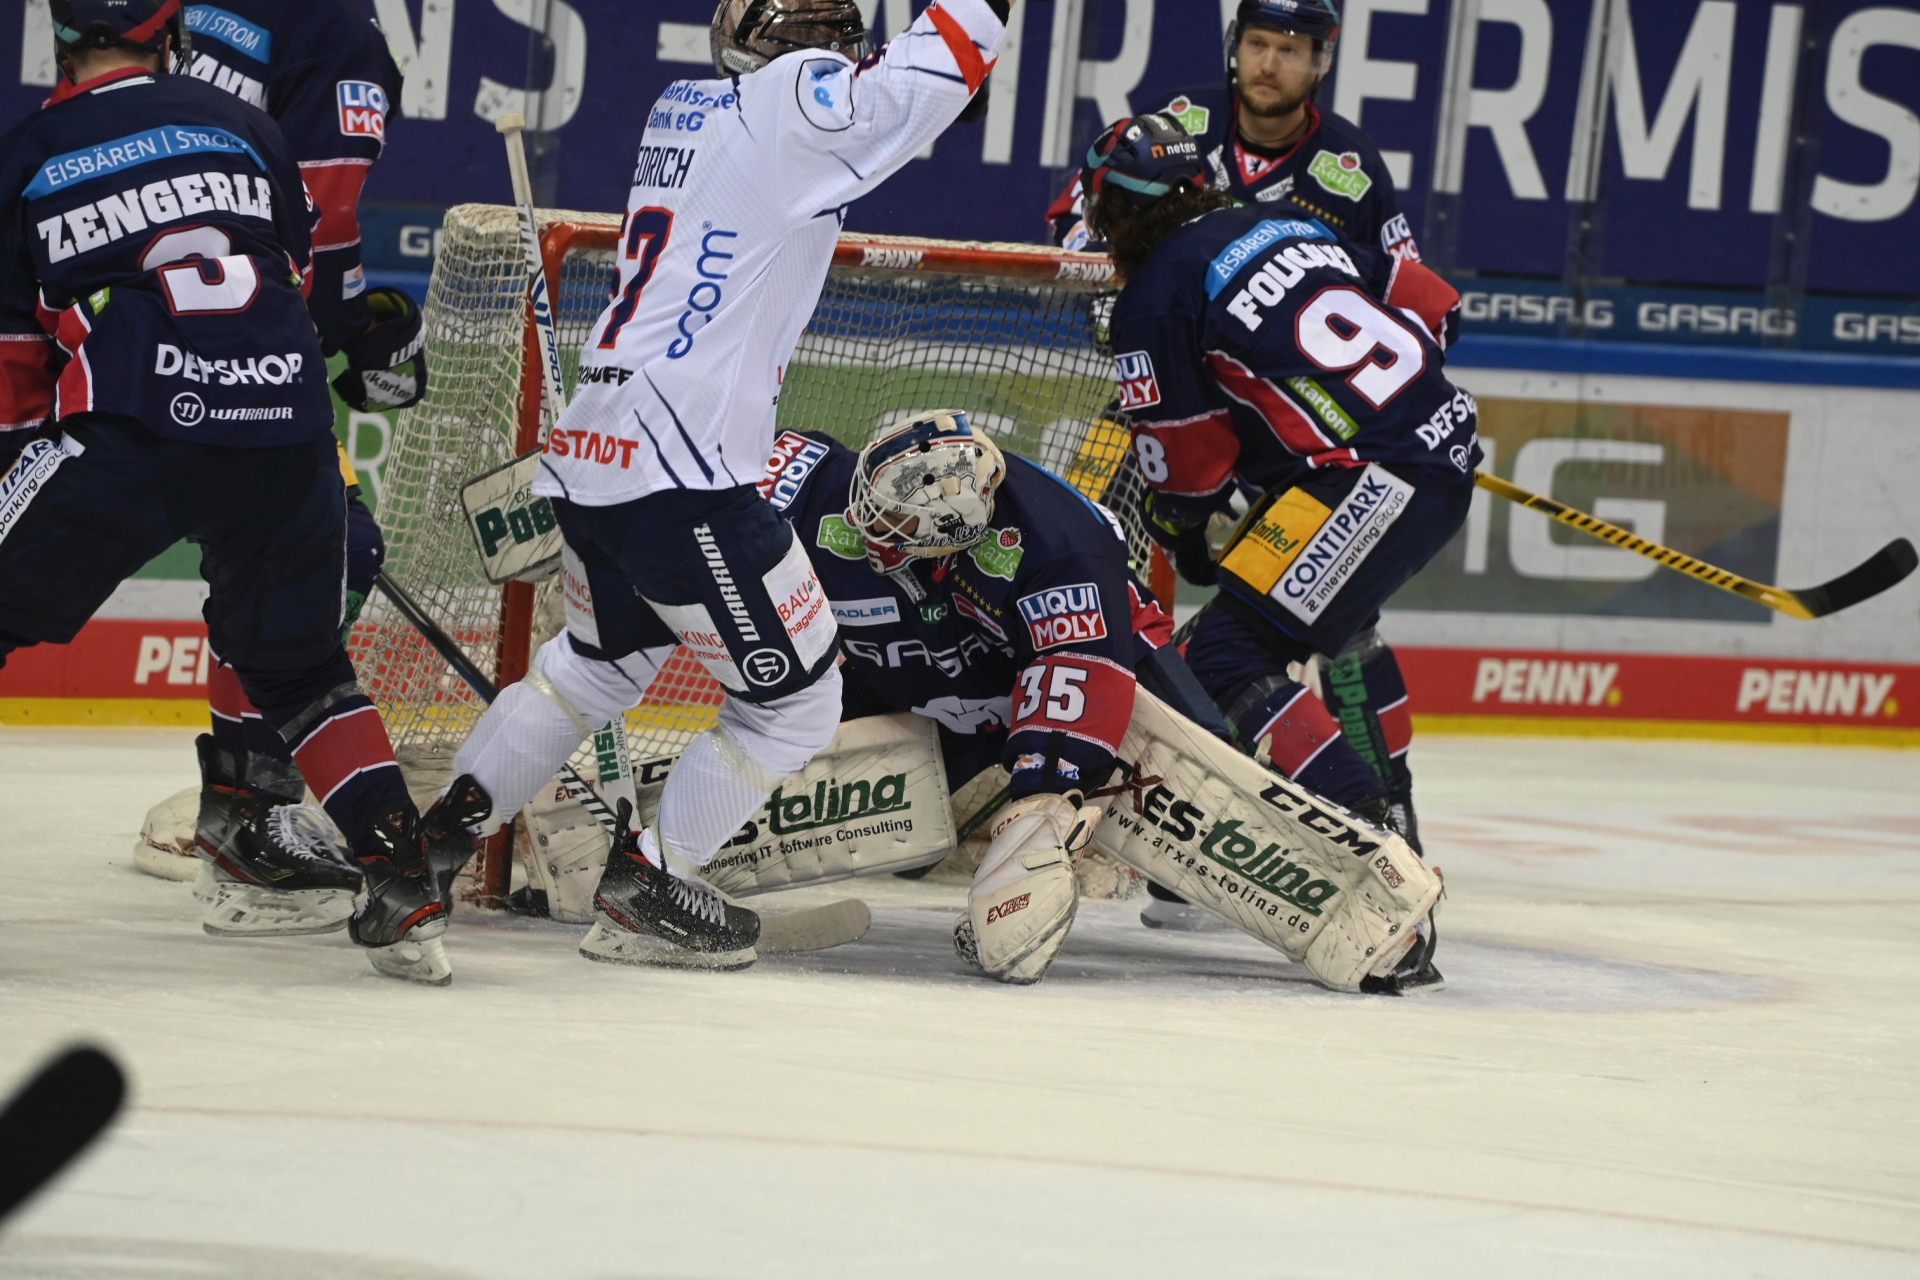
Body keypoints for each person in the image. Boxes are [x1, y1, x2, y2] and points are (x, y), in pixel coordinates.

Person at [437, 0, 1022, 972]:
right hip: (683, 472)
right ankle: (650, 882)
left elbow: (883, 103)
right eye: (831, 43)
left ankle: (434, 843)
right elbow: (925, 74)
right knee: (796, 701)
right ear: (807, 55)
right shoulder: (794, 102)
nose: (838, 59)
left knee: (594, 668)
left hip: (595, 454)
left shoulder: (688, 104)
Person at [0, 0, 477, 982]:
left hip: (133, 427)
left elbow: (15, 371)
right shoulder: (250, 129)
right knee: (301, 666)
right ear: (168, 36)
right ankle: (400, 871)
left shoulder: (32, 150)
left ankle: (246, 823)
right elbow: (299, 279)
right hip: (283, 429)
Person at [1084, 112, 1476, 987]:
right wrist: (1391, 403)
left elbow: (1188, 472)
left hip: (1369, 478)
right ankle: (1391, 821)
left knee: (1224, 652)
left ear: (1118, 215)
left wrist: (1186, 537)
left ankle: (1372, 855)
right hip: (1431, 445)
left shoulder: (1152, 296)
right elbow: (1434, 302)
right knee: (1325, 628)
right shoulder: (1290, 222)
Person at [121, 1, 425, 943]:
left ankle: (243, 811)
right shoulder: (337, 34)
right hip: (215, 347)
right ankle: (248, 827)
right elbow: (319, 217)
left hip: (109, 314)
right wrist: (358, 334)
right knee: (323, 550)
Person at [1049, 1, 1415, 268]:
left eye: (1288, 50)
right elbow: (1074, 213)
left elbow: (1405, 281)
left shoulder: (1356, 169)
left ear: (1322, 62)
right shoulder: (1172, 124)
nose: (1269, 66)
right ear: (1236, 45)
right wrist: (1111, 281)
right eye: (1257, 44)